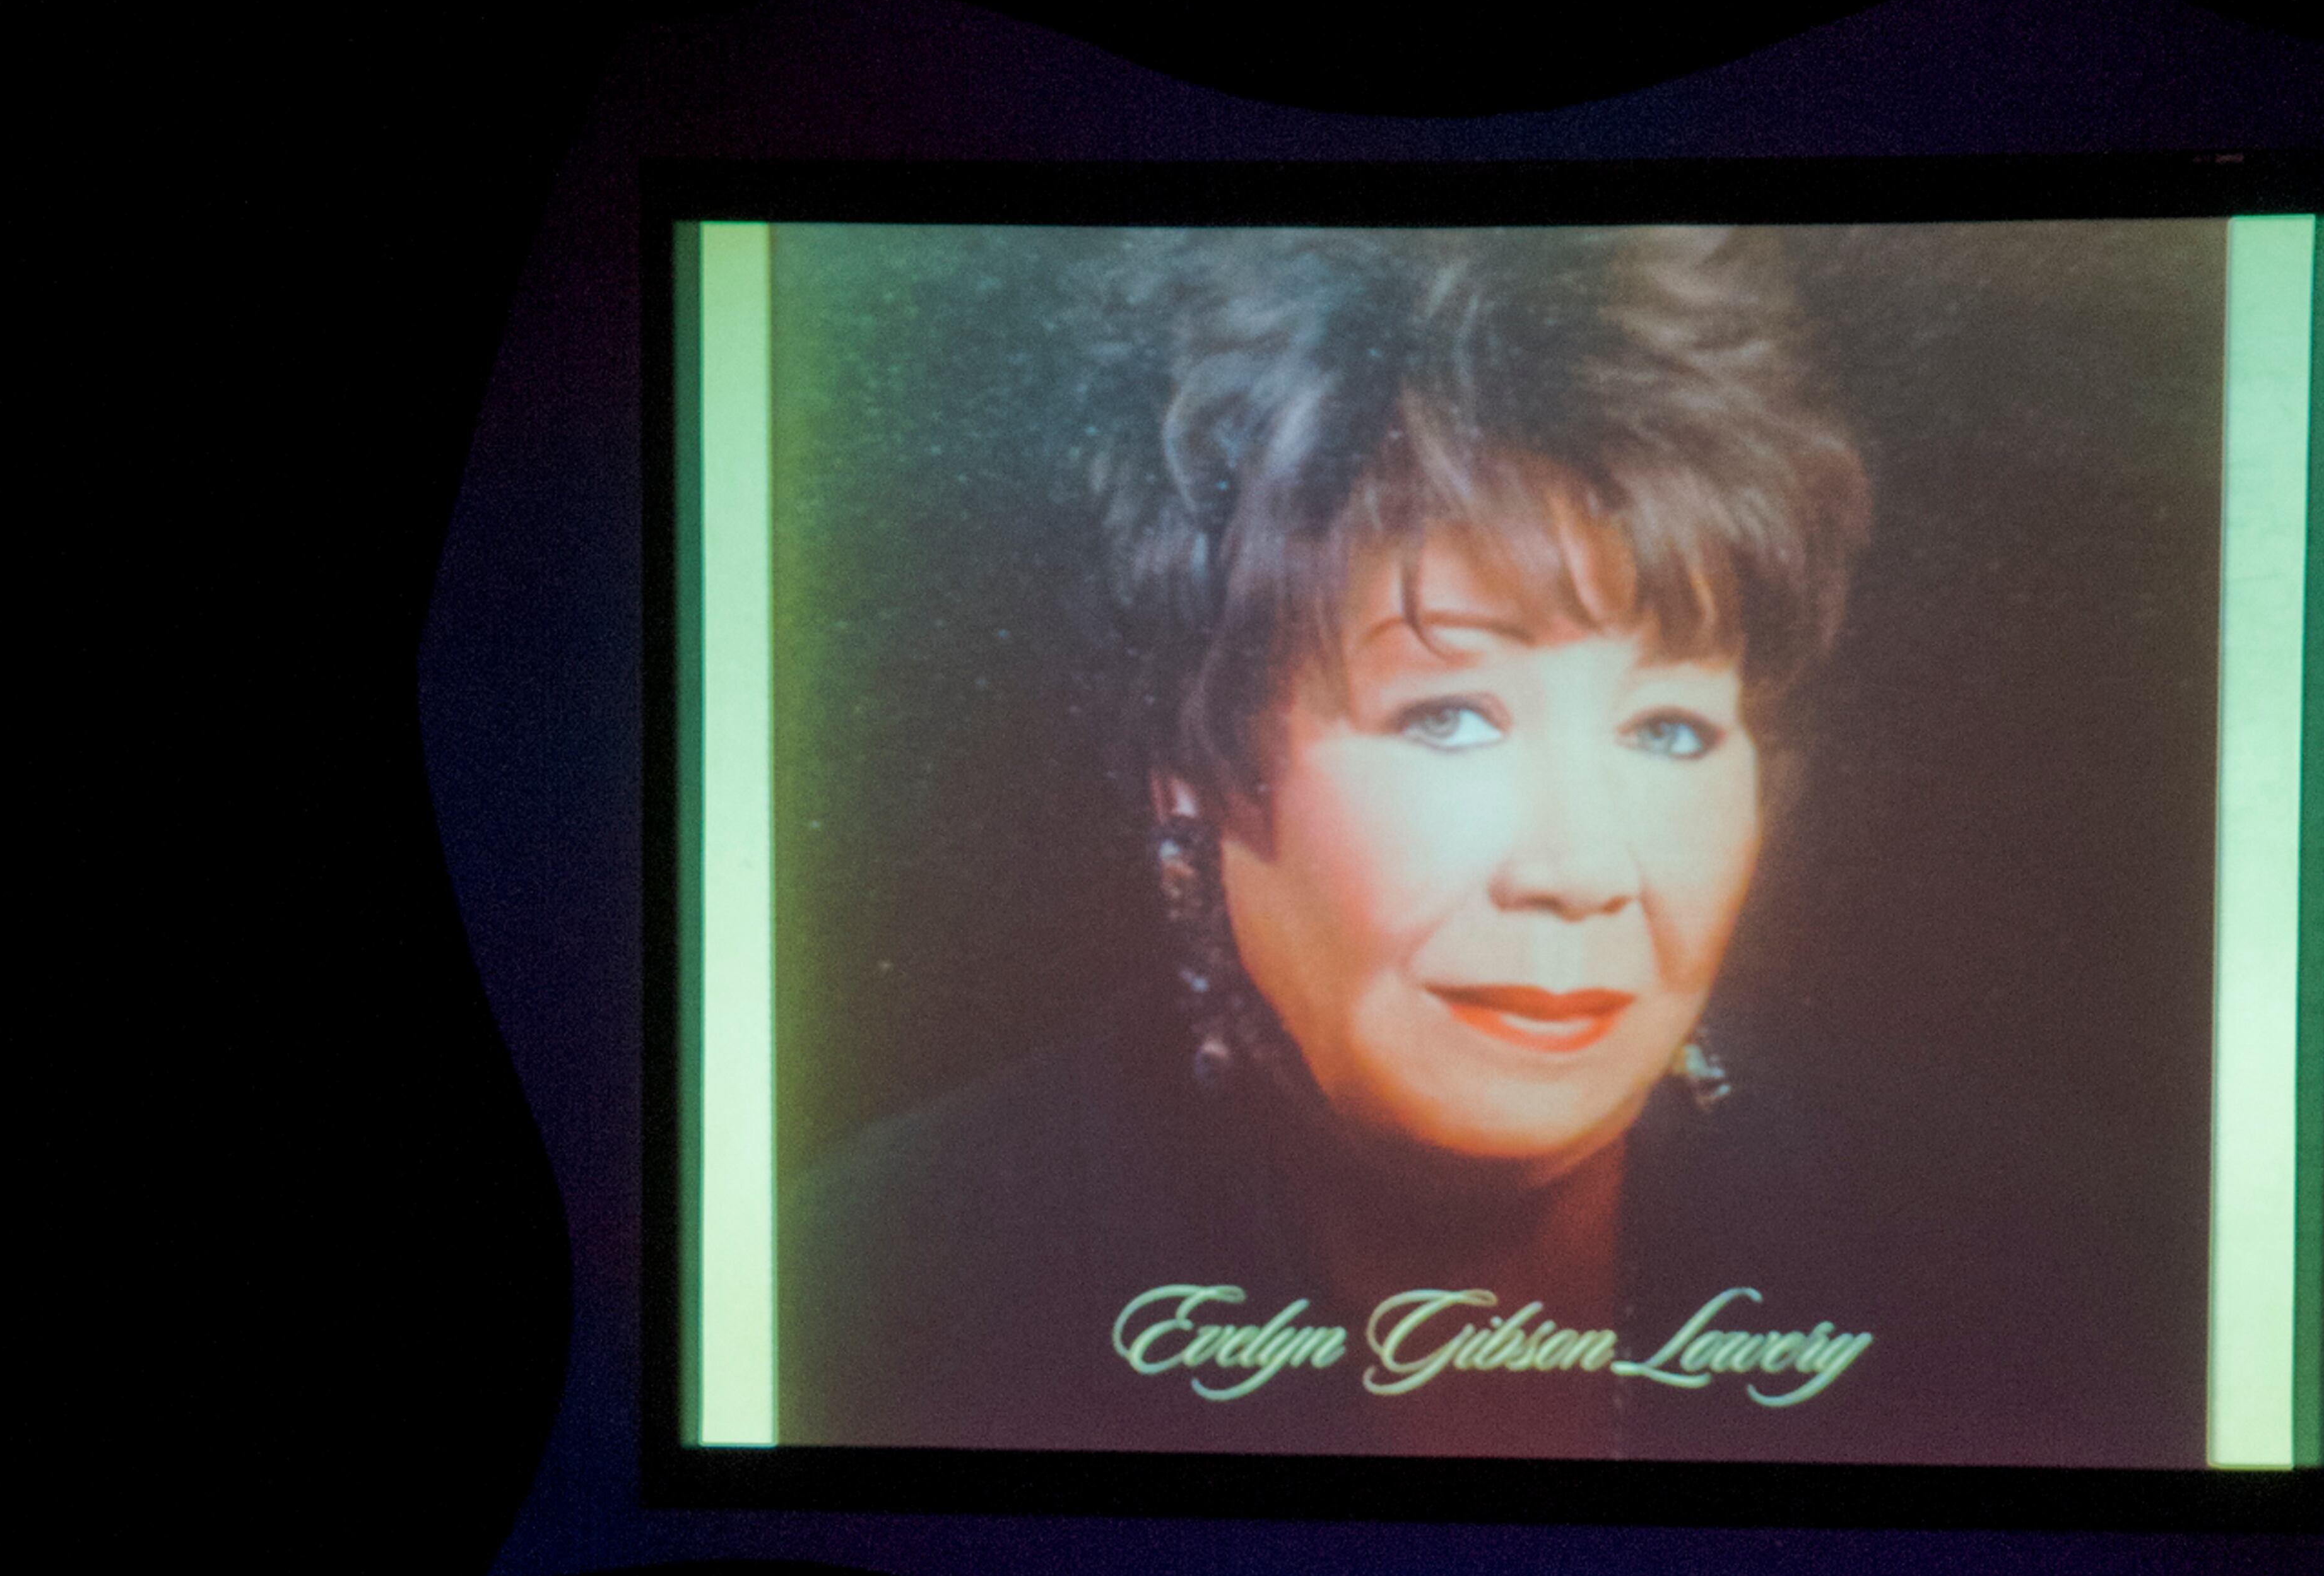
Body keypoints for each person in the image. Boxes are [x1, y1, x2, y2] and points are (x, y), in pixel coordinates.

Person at [777, 223, 1882, 1459]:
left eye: (1671, 730)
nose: (1581, 871)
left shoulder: (2019, 1258)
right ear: (1192, 765)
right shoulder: (848, 1299)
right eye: (1451, 716)